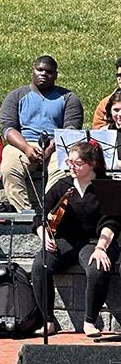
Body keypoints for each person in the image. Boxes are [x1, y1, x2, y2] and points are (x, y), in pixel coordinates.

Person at [31, 141, 119, 337]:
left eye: (76, 163)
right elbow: (40, 214)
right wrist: (43, 235)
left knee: (97, 267)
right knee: (40, 265)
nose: (71, 166)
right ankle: (48, 320)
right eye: (69, 161)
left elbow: (111, 222)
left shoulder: (106, 186)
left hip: (94, 241)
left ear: (92, 164)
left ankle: (89, 322)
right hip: (65, 240)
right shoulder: (62, 185)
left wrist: (101, 247)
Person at [0, 56, 83, 212]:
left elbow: (71, 129)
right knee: (9, 167)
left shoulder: (69, 98)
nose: (44, 74)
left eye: (49, 72)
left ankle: (48, 210)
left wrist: (51, 147)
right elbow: (8, 129)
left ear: (55, 75)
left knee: (63, 171)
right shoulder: (16, 96)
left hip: (57, 145)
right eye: (40, 70)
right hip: (23, 144)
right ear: (33, 70)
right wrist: (26, 148)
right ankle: (24, 212)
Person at [91, 58, 121, 130]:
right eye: (119, 75)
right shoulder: (105, 104)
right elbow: (97, 133)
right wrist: (112, 127)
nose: (120, 78)